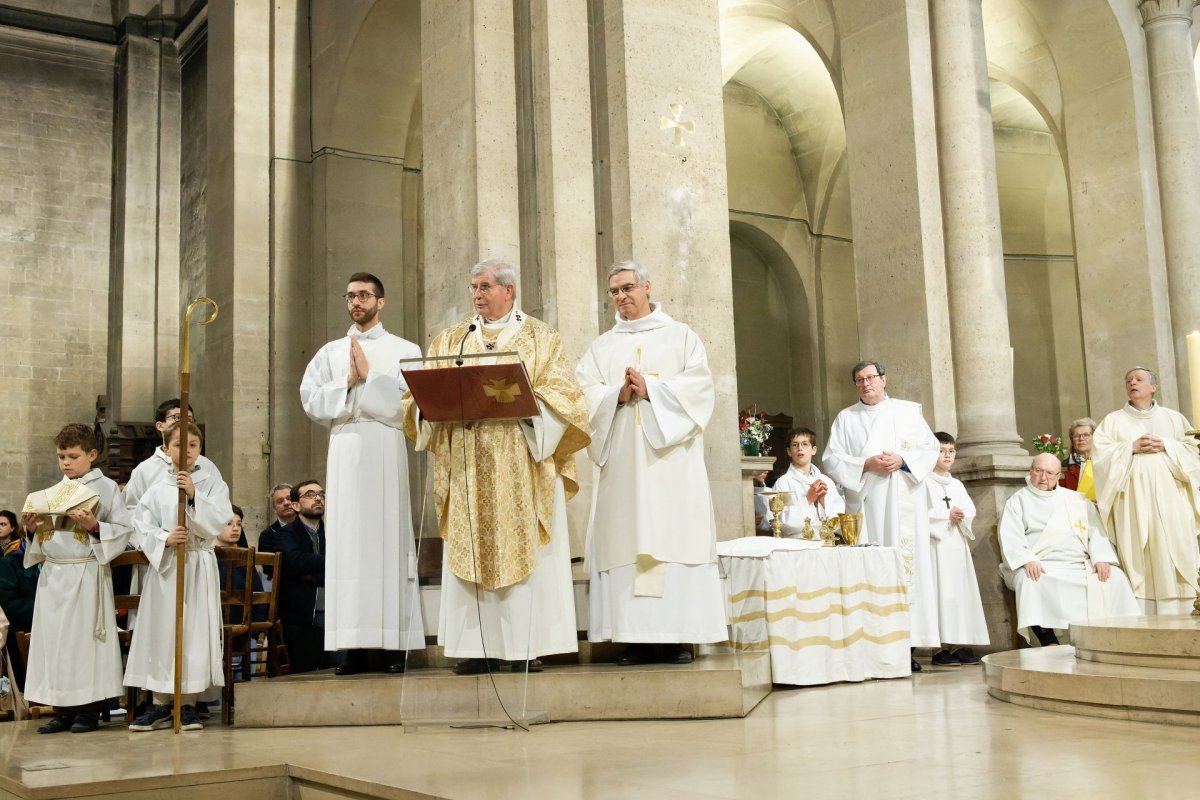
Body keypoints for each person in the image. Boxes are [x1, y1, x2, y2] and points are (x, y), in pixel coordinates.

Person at [403, 258, 590, 675]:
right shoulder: (450, 341)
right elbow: (417, 401)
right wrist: (426, 406)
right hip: (467, 464)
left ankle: (527, 646)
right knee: (469, 552)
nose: (477, 295)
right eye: (473, 287)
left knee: (523, 551)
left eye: (485, 286)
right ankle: (476, 648)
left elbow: (566, 397)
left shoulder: (541, 338)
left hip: (521, 463)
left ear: (510, 291)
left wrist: (525, 403)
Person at [576, 260, 726, 666]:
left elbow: (699, 391)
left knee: (672, 539)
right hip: (623, 464)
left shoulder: (681, 337)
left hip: (670, 465)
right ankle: (633, 638)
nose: (621, 297)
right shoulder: (602, 347)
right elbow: (583, 394)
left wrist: (652, 388)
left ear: (646, 287)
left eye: (627, 288)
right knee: (626, 540)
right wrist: (617, 395)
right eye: (614, 292)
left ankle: (677, 637)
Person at [300, 272, 426, 676]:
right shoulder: (330, 352)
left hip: (386, 446)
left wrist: (370, 381)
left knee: (387, 540)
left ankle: (393, 646)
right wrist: (347, 382)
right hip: (346, 446)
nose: (356, 302)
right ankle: (351, 646)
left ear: (381, 301)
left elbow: (413, 407)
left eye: (364, 295)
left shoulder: (405, 349)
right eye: (351, 296)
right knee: (348, 546)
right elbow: (311, 399)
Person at [823, 360, 940, 671]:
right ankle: (872, 643)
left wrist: (903, 459)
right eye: (859, 380)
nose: (866, 384)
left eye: (871, 377)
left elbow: (930, 448)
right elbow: (831, 458)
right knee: (872, 570)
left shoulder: (908, 412)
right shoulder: (846, 418)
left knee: (906, 569)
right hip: (868, 501)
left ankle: (909, 646)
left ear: (884, 379)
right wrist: (865, 465)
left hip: (904, 498)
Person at [20, 423, 132, 733]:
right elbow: (45, 538)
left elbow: (123, 532)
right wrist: (32, 528)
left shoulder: (107, 487)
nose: (66, 463)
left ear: (92, 455)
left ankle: (88, 711)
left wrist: (96, 526)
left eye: (73, 456)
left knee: (84, 644)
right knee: (56, 643)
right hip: (54, 573)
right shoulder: (55, 491)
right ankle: (62, 709)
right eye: (61, 456)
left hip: (86, 571)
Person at [124, 421, 232, 732]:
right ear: (166, 448)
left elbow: (218, 521)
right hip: (167, 568)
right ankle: (160, 703)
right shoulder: (156, 488)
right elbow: (139, 526)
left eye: (193, 445)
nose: (185, 452)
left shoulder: (212, 483)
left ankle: (187, 704)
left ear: (200, 449)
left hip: (197, 565)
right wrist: (164, 538)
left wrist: (195, 495)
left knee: (193, 633)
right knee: (163, 632)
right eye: (178, 445)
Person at [998, 453, 1139, 645]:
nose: (1043, 478)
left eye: (1050, 473)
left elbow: (1096, 532)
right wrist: (1027, 559)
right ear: (1031, 470)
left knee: (1115, 577)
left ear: (1059, 476)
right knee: (1029, 581)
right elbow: (1010, 537)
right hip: (1042, 564)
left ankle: (1120, 636)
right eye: (1038, 471)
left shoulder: (1076, 500)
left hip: (1079, 564)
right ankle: (1048, 640)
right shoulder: (1017, 501)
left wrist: (1101, 558)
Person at [1092, 367, 1200, 615]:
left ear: (1153, 387)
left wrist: (1168, 445)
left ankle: (1185, 604)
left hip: (1173, 497)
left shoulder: (1174, 419)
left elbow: (1194, 453)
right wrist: (1130, 447)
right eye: (1128, 380)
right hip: (1133, 501)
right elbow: (1100, 458)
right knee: (1142, 549)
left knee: (1175, 544)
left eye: (1139, 379)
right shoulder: (1112, 421)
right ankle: (1144, 609)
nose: (1132, 382)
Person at [923, 433, 988, 665]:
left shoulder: (957, 484)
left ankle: (959, 643)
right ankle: (940, 648)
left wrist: (962, 515)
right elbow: (920, 515)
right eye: (942, 450)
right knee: (941, 593)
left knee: (959, 594)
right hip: (937, 546)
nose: (947, 455)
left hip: (956, 545)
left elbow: (970, 510)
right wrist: (945, 515)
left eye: (951, 451)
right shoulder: (924, 482)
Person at [123, 399, 223, 516]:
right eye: (177, 418)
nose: (185, 423)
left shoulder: (206, 466)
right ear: (160, 426)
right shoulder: (145, 470)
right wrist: (161, 534)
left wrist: (194, 496)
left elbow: (220, 508)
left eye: (189, 419)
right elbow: (131, 510)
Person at [275, 481, 333, 674]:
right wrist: (331, 564)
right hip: (301, 614)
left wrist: (312, 570)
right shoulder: (285, 534)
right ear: (296, 505)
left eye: (321, 494)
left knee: (335, 672)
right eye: (310, 494)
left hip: (334, 612)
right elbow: (296, 562)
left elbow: (347, 559)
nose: (318, 498)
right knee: (304, 673)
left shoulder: (334, 532)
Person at [770, 427, 845, 538]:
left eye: (805, 444)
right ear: (789, 451)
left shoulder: (826, 481)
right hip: (796, 543)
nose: (800, 448)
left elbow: (839, 521)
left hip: (826, 542)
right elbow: (783, 523)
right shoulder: (783, 483)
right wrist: (808, 499)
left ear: (813, 450)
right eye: (795, 445)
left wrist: (823, 503)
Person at [0, 531, 38, 688]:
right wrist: (44, 612)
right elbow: (10, 605)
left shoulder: (58, 561)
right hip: (25, 623)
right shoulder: (10, 561)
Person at [1059, 417, 1097, 500]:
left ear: (1095, 437)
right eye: (1076, 436)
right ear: (1072, 441)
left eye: (1086, 435)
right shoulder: (1064, 466)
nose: (1081, 439)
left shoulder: (1103, 462)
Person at [257, 483, 295, 558]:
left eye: (289, 499)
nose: (286, 503)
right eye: (280, 501)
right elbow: (269, 568)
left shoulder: (309, 528)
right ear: (274, 508)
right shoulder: (267, 536)